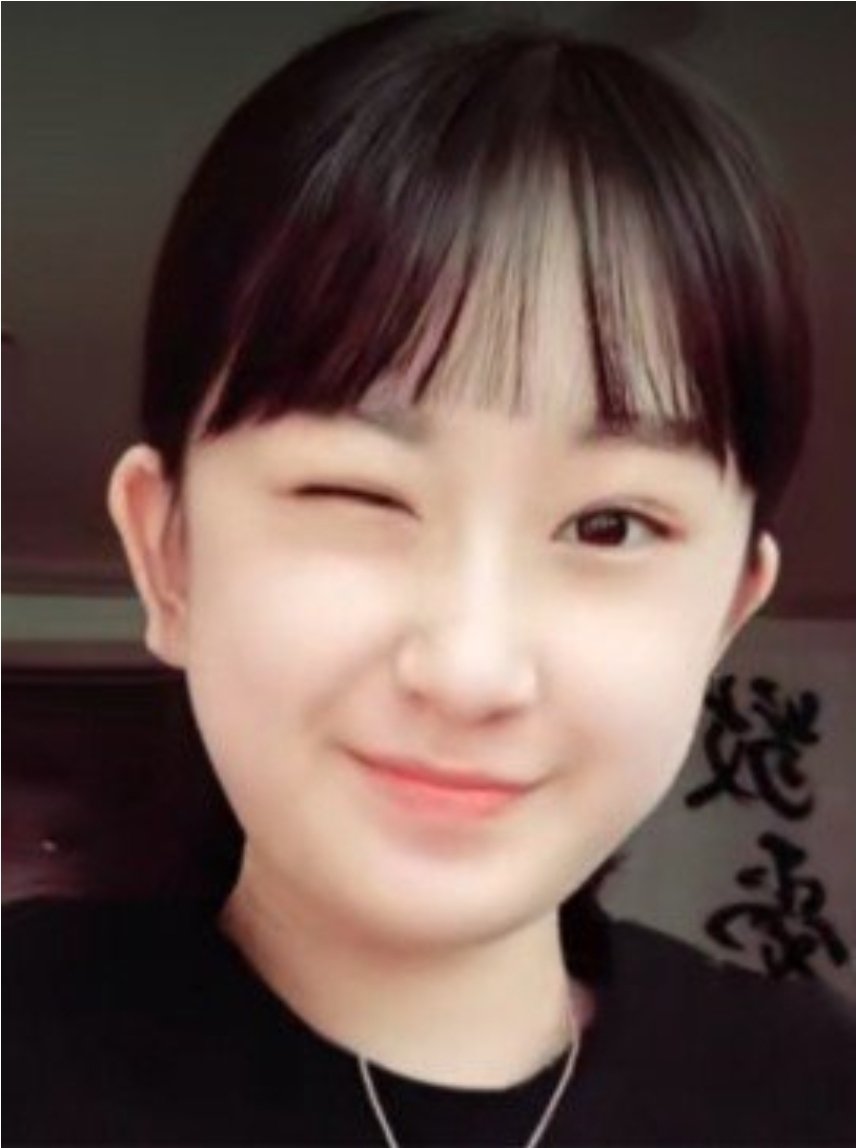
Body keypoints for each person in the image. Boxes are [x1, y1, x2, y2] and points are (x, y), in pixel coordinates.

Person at [6, 7, 856, 1146]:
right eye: (360, 495)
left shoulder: (809, 1096)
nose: (469, 669)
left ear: (724, 616)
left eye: (610, 524)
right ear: (170, 557)